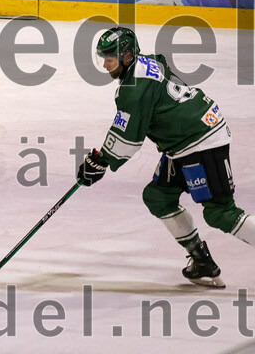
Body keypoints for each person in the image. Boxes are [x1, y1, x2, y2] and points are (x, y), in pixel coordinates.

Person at [77, 27, 254, 287]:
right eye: (102, 58)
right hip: (184, 141)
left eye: (110, 59)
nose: (104, 65)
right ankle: (202, 260)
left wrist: (101, 160)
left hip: (201, 140)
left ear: (127, 57)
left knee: (220, 213)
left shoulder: (134, 90)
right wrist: (102, 157)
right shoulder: (144, 62)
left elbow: (129, 138)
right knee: (158, 196)